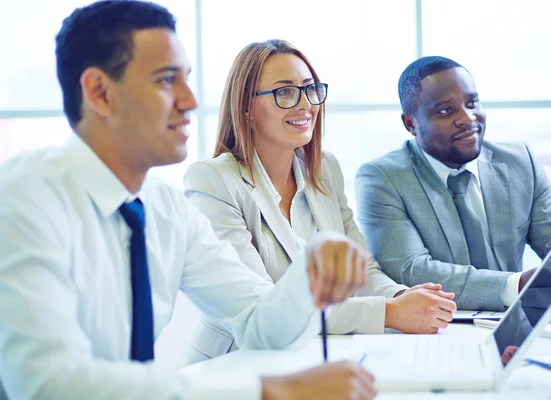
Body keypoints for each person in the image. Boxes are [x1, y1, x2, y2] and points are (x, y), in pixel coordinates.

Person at [0, 2, 377, 399]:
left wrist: (311, 265)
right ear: (100, 93)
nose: (190, 101)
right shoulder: (24, 197)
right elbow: (48, 385)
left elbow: (259, 325)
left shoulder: (167, 208)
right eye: (166, 81)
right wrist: (267, 391)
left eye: (187, 80)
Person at [182, 40, 457, 364]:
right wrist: (389, 312)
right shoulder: (212, 181)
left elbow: (362, 268)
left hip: (311, 358)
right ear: (246, 107)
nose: (305, 105)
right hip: (233, 366)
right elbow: (267, 307)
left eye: (310, 89)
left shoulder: (324, 170)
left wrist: (402, 296)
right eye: (284, 92)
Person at [355, 56, 551, 312]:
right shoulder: (382, 178)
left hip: (516, 326)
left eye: (472, 103)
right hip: (438, 329)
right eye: (446, 111)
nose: (468, 118)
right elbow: (411, 269)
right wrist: (517, 285)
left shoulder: (519, 162)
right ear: (410, 124)